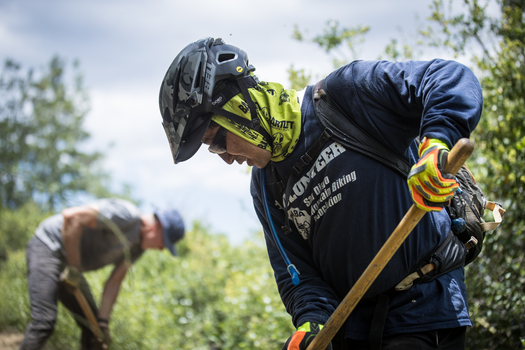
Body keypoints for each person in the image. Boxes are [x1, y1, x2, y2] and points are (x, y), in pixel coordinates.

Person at [158, 37, 482, 349]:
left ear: (239, 108)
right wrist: (310, 321)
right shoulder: (264, 187)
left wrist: (436, 145)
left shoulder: (344, 95)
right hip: (353, 334)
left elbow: (449, 78)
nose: (225, 157)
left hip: (422, 310)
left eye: (215, 141)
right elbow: (299, 277)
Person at [20, 198, 185, 350]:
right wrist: (75, 267)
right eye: (164, 242)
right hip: (49, 247)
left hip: (71, 266)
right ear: (156, 228)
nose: (161, 248)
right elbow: (72, 217)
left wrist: (103, 323)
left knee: (95, 333)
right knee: (44, 321)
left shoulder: (137, 248)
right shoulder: (126, 215)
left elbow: (114, 282)